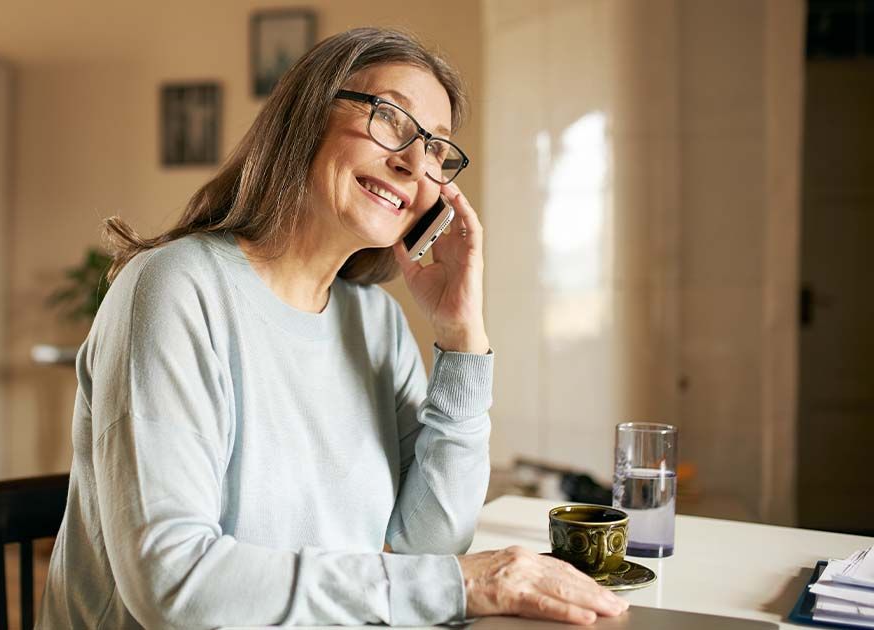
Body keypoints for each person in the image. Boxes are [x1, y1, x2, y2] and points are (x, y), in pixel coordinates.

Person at [36, 27, 629, 629]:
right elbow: (174, 585)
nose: (411, 162)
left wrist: (462, 336)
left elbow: (430, 546)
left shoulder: (376, 323)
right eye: (391, 119)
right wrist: (464, 582)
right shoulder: (172, 289)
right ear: (305, 118)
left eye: (435, 148)